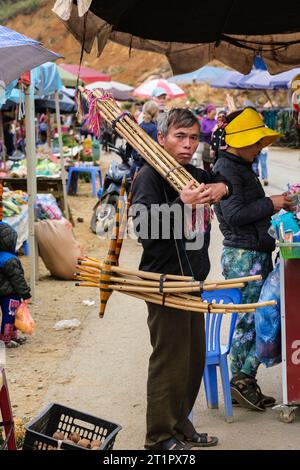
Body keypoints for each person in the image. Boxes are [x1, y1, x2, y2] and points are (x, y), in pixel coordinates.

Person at [131, 108, 231, 450]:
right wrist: (180, 204)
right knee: (169, 359)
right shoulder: (148, 175)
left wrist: (222, 186)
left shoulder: (190, 172)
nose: (188, 145)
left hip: (192, 279)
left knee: (193, 359)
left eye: (193, 138)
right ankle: (158, 436)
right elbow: (143, 227)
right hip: (164, 280)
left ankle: (180, 424)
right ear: (161, 139)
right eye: (179, 137)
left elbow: (223, 178)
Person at [213, 107, 293, 411]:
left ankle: (246, 379)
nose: (260, 148)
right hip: (243, 257)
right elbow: (234, 216)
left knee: (260, 317)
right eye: (256, 142)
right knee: (249, 320)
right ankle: (241, 381)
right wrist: (271, 203)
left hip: (254, 252)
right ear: (242, 141)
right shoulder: (227, 170)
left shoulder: (239, 166)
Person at [0, 222, 31, 348]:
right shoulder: (10, 259)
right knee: (10, 316)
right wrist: (26, 293)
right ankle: (6, 339)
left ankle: (13, 337)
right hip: (10, 294)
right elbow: (17, 279)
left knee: (11, 316)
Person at [131, 100, 159, 174]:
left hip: (135, 166)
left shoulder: (140, 126)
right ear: (155, 113)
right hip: (145, 169)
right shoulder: (154, 129)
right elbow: (155, 150)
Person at [200, 104, 217, 171]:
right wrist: (211, 130)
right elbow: (202, 133)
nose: (214, 116)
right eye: (213, 114)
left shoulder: (216, 121)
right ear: (208, 113)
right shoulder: (204, 121)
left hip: (215, 146)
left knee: (214, 165)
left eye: (215, 114)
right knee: (206, 164)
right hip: (207, 145)